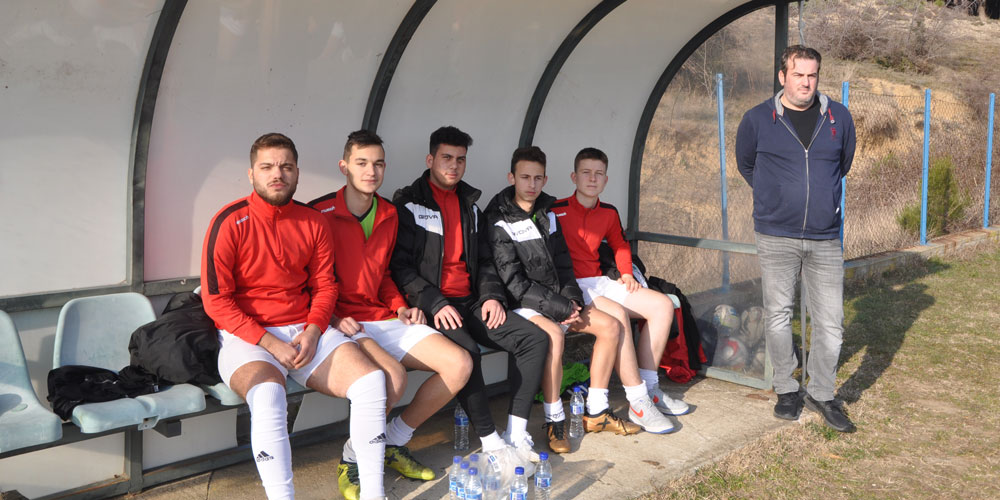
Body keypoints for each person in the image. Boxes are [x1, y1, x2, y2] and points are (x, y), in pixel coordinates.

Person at [201, 133, 389, 500]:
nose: (277, 174)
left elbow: (326, 286)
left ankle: (373, 493)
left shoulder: (313, 221)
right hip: (247, 336)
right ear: (251, 174)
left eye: (286, 166)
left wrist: (314, 330)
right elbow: (216, 301)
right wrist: (270, 343)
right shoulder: (229, 221)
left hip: (304, 330)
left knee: (371, 382)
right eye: (267, 167)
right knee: (269, 394)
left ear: (297, 172)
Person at [308, 130, 472, 499]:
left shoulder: (389, 212)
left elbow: (384, 274)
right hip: (342, 321)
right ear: (344, 166)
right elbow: (308, 280)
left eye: (378, 164)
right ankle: (352, 460)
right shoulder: (319, 213)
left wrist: (399, 304)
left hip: (383, 316)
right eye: (362, 163)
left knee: (459, 364)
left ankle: (393, 440)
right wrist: (332, 318)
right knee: (390, 380)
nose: (371, 171)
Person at [485, 146, 677, 446]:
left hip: (570, 291)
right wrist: (561, 304)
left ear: (545, 179)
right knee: (582, 327)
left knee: (644, 312)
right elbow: (514, 279)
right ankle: (557, 418)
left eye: (537, 178)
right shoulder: (526, 214)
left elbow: (568, 262)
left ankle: (605, 407)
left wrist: (576, 297)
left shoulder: (548, 213)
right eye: (525, 177)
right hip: (534, 301)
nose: (532, 184)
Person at [390, 126, 550, 466]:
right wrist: (434, 302)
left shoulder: (470, 206)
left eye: (460, 159)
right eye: (446, 158)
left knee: (534, 339)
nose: (454, 165)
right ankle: (492, 444)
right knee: (468, 353)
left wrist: (492, 296)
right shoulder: (408, 205)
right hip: (433, 305)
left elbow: (486, 261)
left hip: (472, 302)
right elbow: (399, 267)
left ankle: (516, 434)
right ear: (430, 159)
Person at [734, 45, 856, 433]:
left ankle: (821, 392)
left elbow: (843, 164)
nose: (806, 82)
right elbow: (747, 165)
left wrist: (820, 200)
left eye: (812, 75)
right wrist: (775, 197)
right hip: (776, 235)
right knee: (778, 315)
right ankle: (787, 389)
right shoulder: (757, 119)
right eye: (798, 74)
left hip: (825, 237)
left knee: (831, 322)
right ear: (782, 76)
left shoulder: (838, 117)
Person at [552, 147, 691, 419]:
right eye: (586, 173)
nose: (592, 179)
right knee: (618, 315)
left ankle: (651, 389)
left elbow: (620, 245)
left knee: (663, 305)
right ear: (574, 177)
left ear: (606, 180)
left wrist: (626, 273)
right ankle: (637, 400)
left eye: (598, 174)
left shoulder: (608, 212)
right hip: (572, 286)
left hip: (599, 281)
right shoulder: (555, 210)